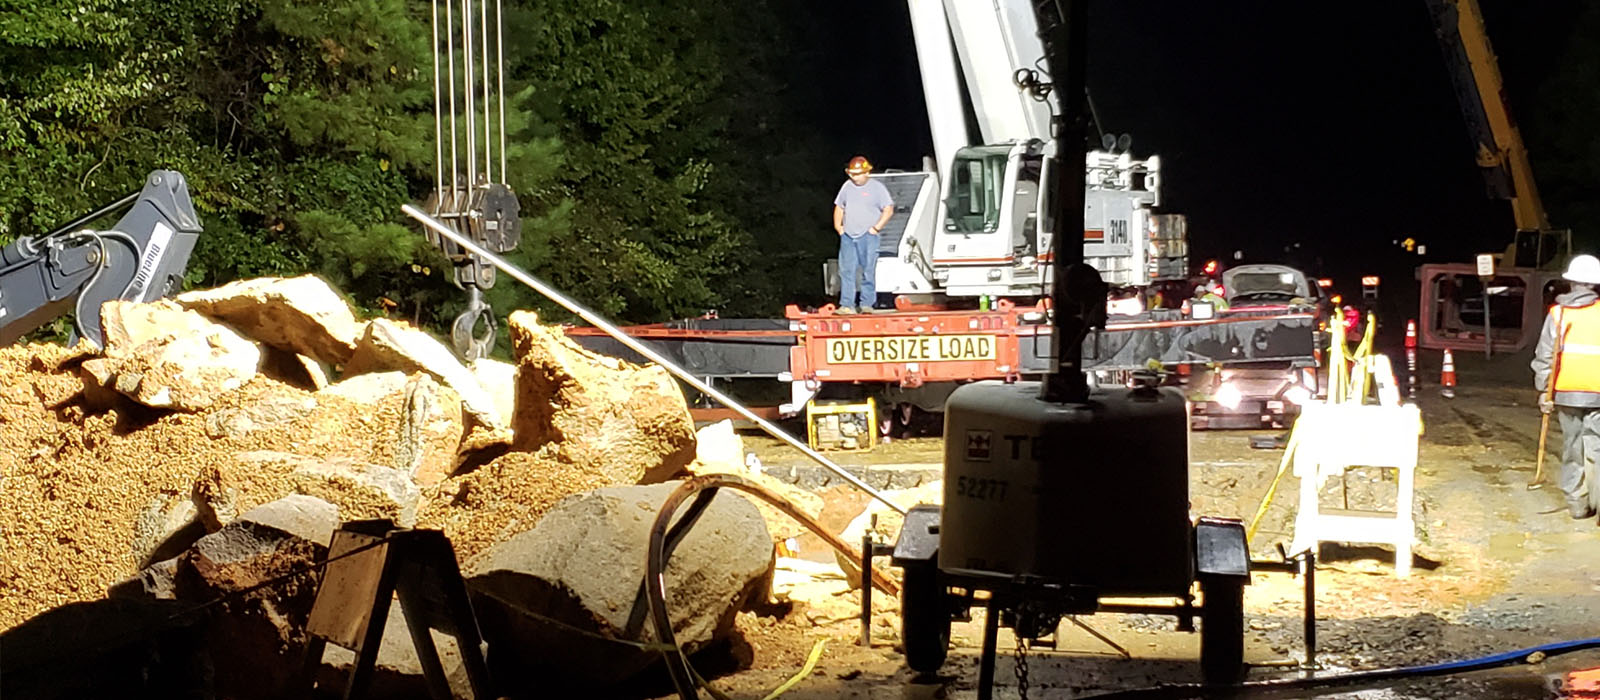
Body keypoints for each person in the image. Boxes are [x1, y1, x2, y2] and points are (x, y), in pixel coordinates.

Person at [1532, 254, 1600, 520]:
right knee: (1596, 447)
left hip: (1566, 393)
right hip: (1598, 395)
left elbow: (1545, 356)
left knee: (1573, 446)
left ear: (1571, 283)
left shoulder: (1558, 314)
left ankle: (1577, 504)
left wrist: (1542, 393)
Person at [832, 156, 895, 314]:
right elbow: (839, 207)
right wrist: (839, 227)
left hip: (868, 236)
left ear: (867, 172)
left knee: (868, 270)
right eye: (852, 174)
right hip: (848, 236)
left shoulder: (877, 188)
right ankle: (847, 305)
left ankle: (866, 304)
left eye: (858, 174)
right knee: (846, 270)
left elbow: (888, 209)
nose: (855, 177)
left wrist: (876, 228)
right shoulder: (847, 187)